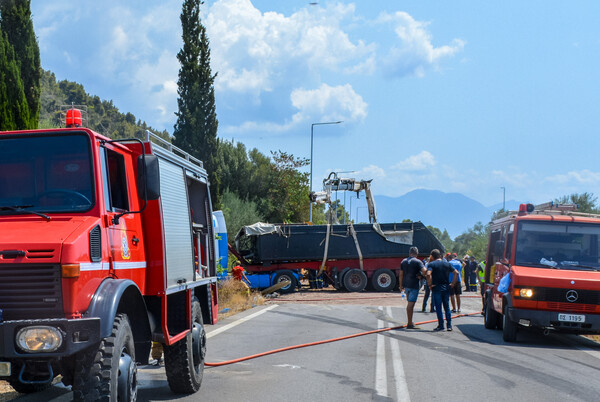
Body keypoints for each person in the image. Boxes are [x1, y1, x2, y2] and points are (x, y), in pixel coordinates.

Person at [427, 249, 459, 332]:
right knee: (447, 307)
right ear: (440, 256)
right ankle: (449, 325)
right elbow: (456, 273)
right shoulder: (447, 264)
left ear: (432, 256)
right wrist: (453, 283)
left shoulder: (432, 264)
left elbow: (428, 274)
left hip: (437, 288)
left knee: (438, 308)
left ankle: (441, 325)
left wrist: (430, 284)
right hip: (446, 287)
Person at [399, 246, 428, 329]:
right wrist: (421, 276)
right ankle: (409, 323)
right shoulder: (417, 262)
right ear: (417, 253)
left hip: (406, 285)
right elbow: (425, 270)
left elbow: (401, 274)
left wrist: (401, 286)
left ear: (409, 253)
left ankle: (410, 322)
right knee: (411, 304)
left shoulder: (403, 261)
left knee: (409, 303)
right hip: (414, 285)